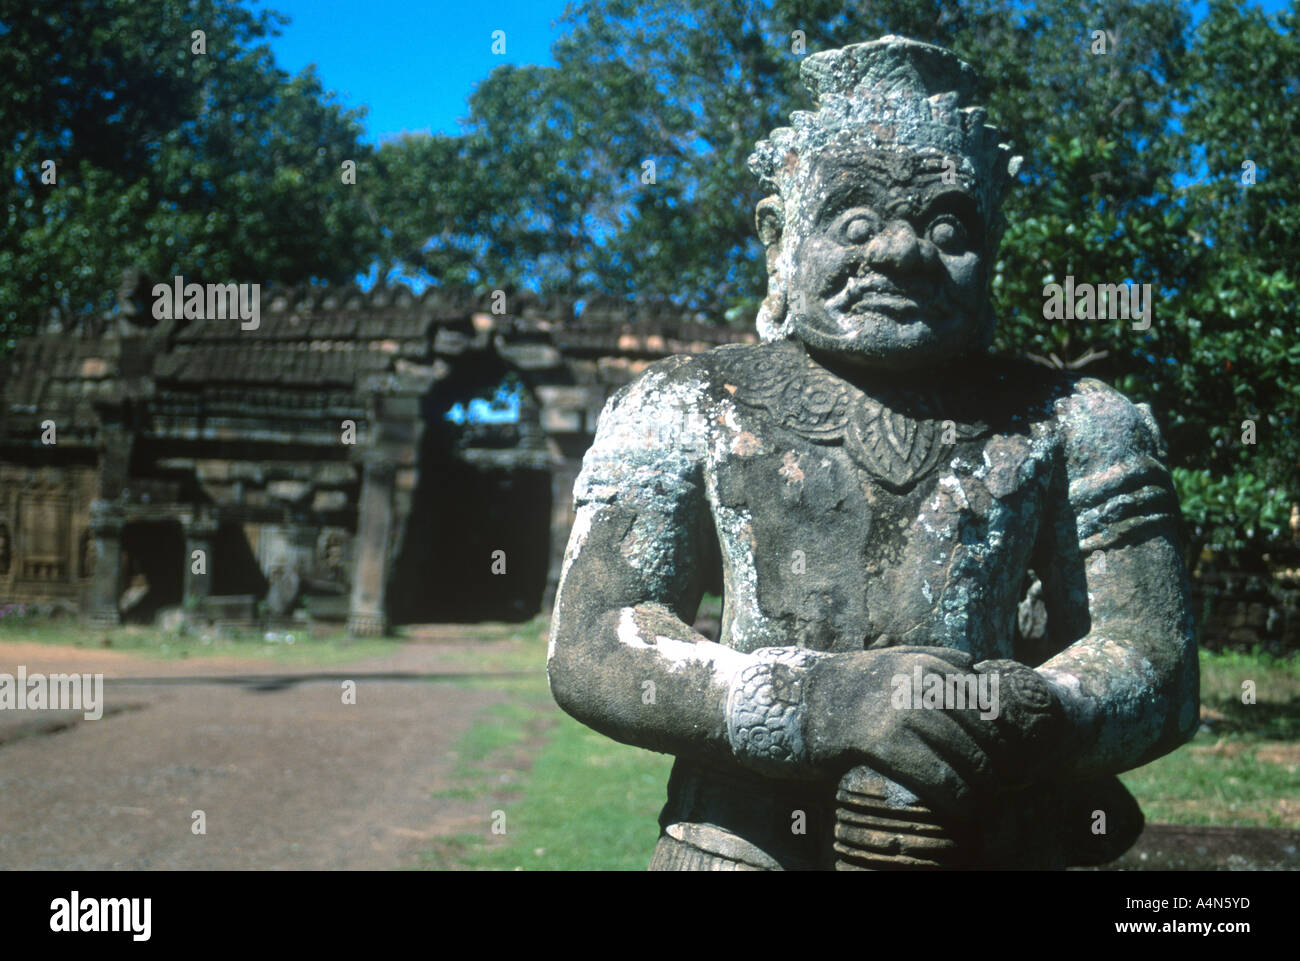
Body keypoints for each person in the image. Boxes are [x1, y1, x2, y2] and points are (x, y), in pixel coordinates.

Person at [547, 36, 1198, 870]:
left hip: (990, 839)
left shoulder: (1076, 418)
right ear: (779, 240)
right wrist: (825, 703)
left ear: (992, 245)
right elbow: (596, 638)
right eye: (854, 220)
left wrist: (1028, 711)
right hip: (741, 844)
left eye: (948, 223)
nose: (900, 250)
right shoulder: (685, 403)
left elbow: (1158, 661)